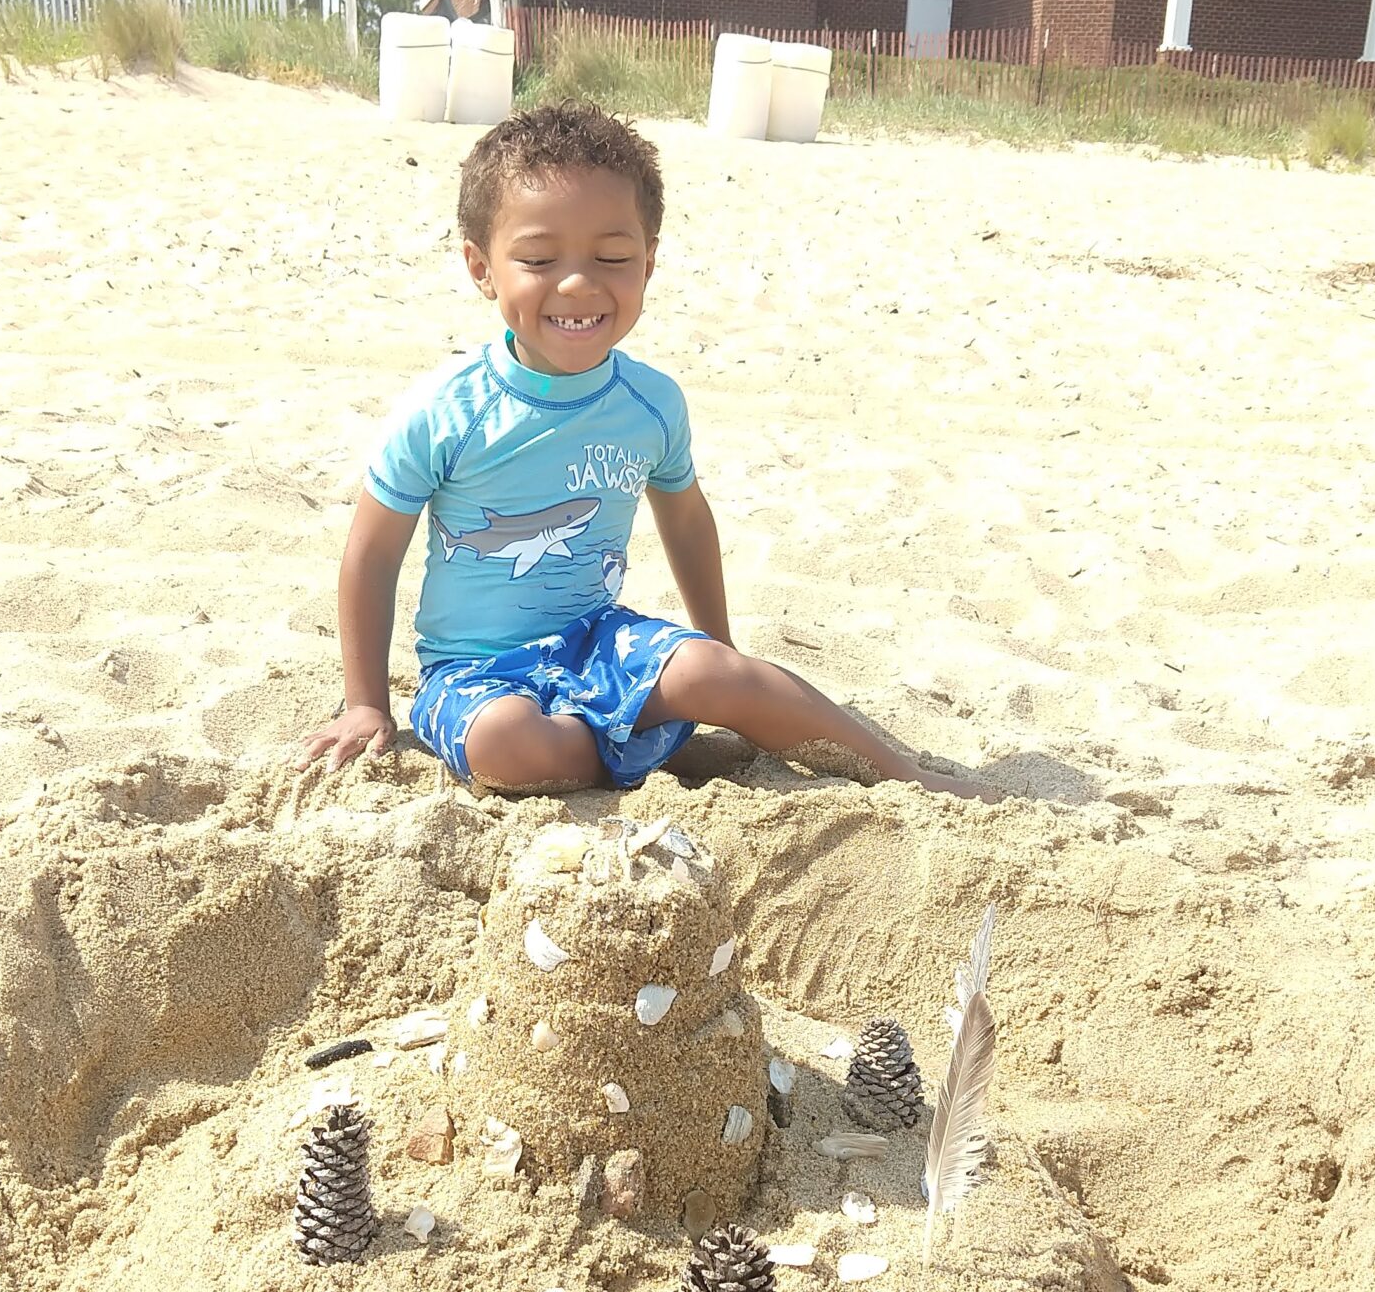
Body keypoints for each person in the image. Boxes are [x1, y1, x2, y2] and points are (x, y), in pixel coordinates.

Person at [298, 100, 970, 796]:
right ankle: (633, 749)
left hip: (601, 640)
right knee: (508, 746)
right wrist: (367, 701)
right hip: (473, 673)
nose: (579, 283)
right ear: (481, 267)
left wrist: (719, 651)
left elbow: (684, 519)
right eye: (537, 258)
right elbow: (372, 552)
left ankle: (907, 777)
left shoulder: (650, 403)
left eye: (613, 257)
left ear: (648, 263)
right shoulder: (447, 411)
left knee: (715, 676)